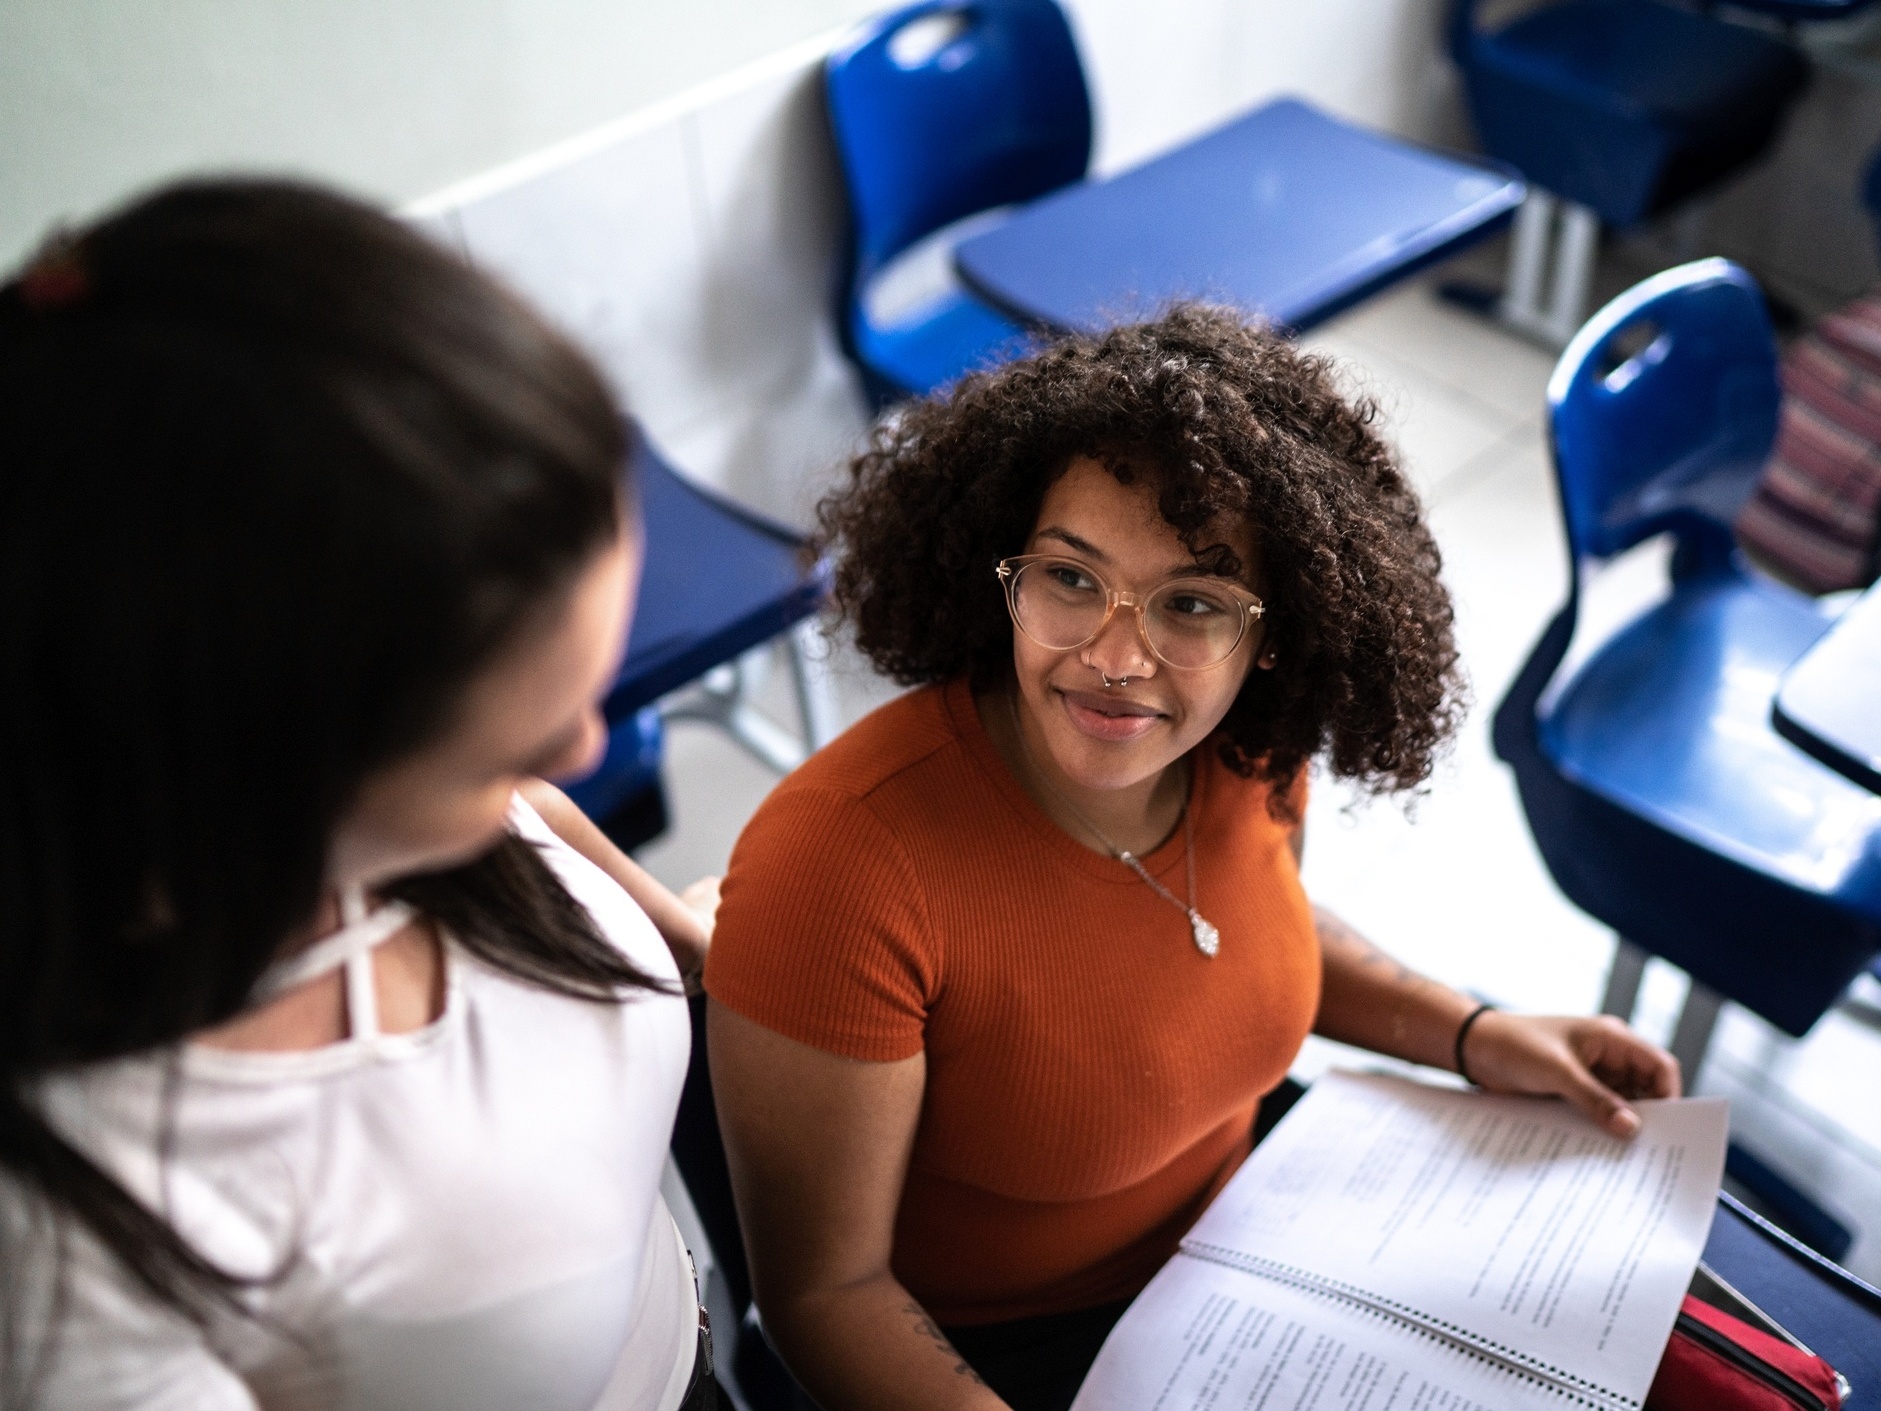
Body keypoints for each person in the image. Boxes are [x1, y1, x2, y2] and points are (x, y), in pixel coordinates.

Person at [704, 307, 1682, 1411]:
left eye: (1193, 604)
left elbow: (1237, 930)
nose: (1118, 658)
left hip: (1262, 1247)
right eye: (1070, 579)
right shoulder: (843, 865)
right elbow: (825, 1294)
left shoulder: (1249, 746)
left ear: (1270, 635)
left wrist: (1471, 1031)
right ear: (1002, 572)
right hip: (1010, 1358)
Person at [0, 180, 721, 1411]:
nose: (589, 751)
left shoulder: (443, 825)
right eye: (506, 749)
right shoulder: (73, 1238)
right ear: (254, 774)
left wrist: (685, 933)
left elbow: (535, 835)